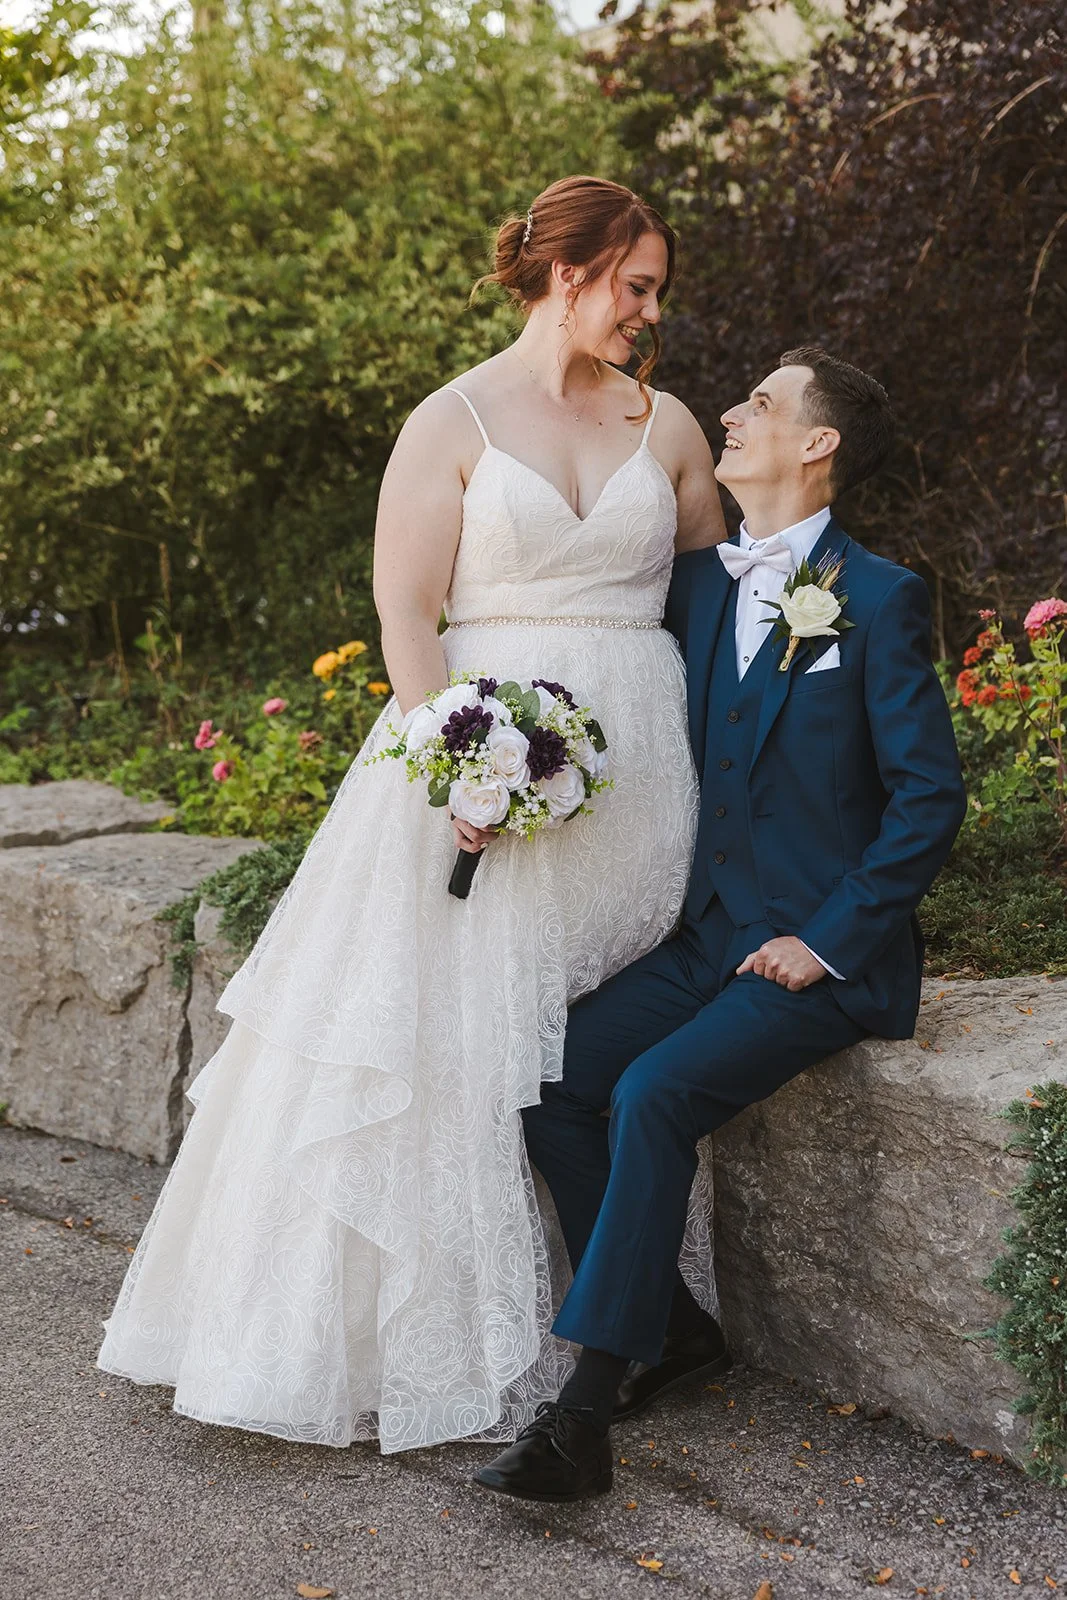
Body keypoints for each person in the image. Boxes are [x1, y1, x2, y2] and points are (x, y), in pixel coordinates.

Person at [96, 175, 727, 1454]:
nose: (649, 312)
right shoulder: (449, 421)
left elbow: (710, 606)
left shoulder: (666, 428)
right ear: (568, 274)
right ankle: (454, 1340)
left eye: (655, 290)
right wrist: (461, 768)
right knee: (456, 1051)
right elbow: (405, 612)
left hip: (639, 792)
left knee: (567, 1055)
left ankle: (637, 1322)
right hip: (481, 781)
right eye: (635, 285)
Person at [475, 346, 969, 1502]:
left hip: (818, 955)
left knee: (651, 1091)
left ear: (816, 442)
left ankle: (581, 1418)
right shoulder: (697, 584)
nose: (731, 416)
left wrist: (827, 938)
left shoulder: (879, 597)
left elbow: (927, 797)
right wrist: (497, 747)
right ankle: (676, 1332)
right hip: (706, 935)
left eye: (760, 403)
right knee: (547, 1080)